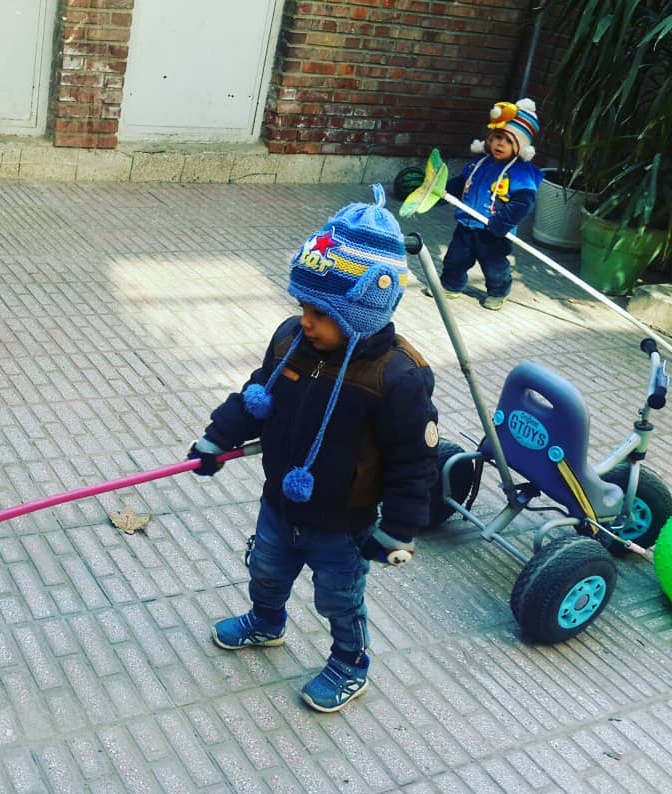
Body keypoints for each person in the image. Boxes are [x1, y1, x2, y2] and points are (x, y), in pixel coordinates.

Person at [188, 185, 439, 712]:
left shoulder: (397, 377)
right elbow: (258, 394)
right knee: (266, 570)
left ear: (365, 309)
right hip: (280, 504)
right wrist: (217, 437)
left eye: (321, 312)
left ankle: (350, 663)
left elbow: (414, 462)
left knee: (338, 599)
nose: (306, 319)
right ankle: (267, 622)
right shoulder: (291, 342)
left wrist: (398, 527)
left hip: (344, 524)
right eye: (303, 304)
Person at [435, 98, 545, 311]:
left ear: (521, 147)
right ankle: (451, 284)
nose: (500, 144)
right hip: (467, 224)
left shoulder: (520, 173)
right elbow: (462, 183)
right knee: (455, 258)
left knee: (494, 266)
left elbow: (524, 202)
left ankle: (498, 291)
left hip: (494, 230)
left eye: (508, 141)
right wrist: (443, 192)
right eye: (497, 137)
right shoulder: (479, 163)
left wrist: (503, 222)